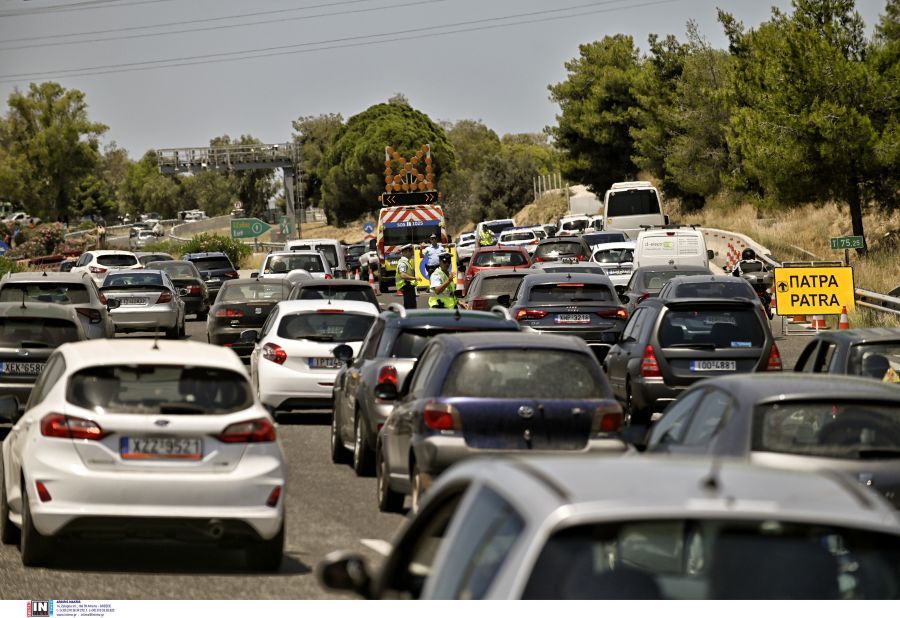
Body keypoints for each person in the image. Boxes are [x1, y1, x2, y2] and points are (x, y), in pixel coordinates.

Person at [396, 244, 418, 310]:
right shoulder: (403, 263)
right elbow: (403, 275)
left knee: (409, 306)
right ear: (406, 252)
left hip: (408, 287)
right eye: (411, 251)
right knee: (410, 307)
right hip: (406, 286)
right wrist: (415, 278)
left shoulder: (407, 262)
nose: (412, 253)